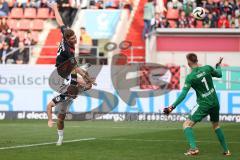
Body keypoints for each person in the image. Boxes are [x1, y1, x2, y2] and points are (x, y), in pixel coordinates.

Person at [47, 1, 95, 145]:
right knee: (61, 118)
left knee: (86, 83)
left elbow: (60, 21)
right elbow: (77, 69)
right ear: (67, 40)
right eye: (72, 39)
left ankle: (79, 89)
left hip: (68, 74)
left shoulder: (65, 34)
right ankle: (60, 138)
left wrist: (55, 8)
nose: (75, 39)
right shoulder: (68, 51)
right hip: (63, 70)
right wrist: (87, 77)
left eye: (75, 37)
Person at [163, 53, 231, 156]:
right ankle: (226, 151)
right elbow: (219, 74)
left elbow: (183, 95)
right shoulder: (207, 68)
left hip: (204, 104)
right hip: (215, 102)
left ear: (189, 62)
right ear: (196, 60)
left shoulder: (191, 77)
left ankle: (193, 149)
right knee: (216, 126)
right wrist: (218, 66)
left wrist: (172, 107)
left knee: (186, 125)